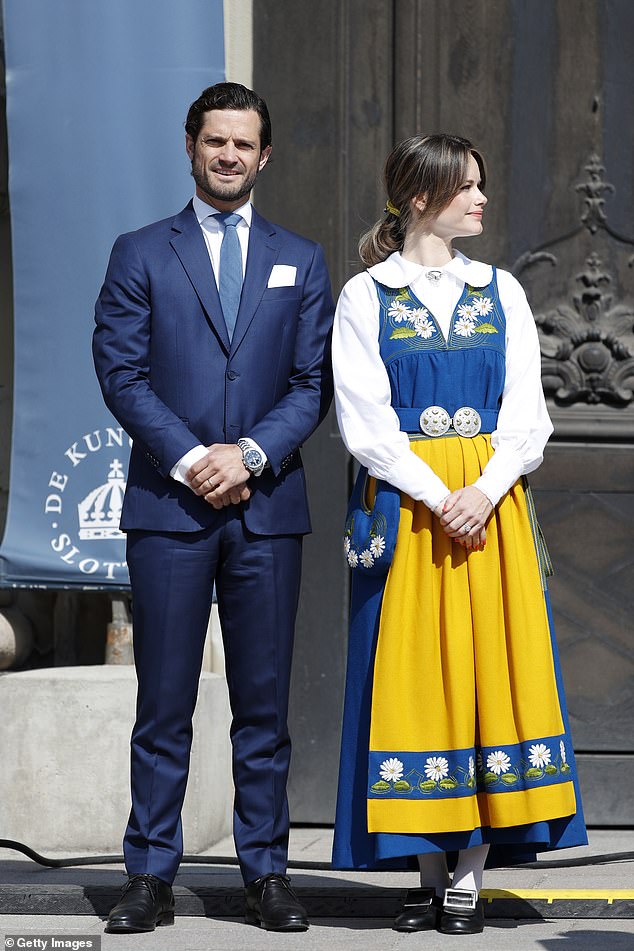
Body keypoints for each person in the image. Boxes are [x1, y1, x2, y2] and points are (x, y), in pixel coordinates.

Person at [330, 133, 587, 936]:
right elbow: (364, 422)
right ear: (420, 197)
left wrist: (482, 489)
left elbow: (527, 413)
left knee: (486, 672)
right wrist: (443, 495)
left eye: (480, 184)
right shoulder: (366, 295)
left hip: (491, 508)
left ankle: (469, 873)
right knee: (412, 677)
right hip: (412, 510)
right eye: (466, 187)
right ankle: (425, 866)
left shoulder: (500, 288)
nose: (481, 199)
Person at [93, 82, 334, 934]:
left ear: (265, 156)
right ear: (191, 147)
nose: (229, 155)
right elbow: (121, 372)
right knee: (163, 701)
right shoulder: (140, 253)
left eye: (244, 144)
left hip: (267, 511)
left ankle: (266, 871)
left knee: (262, 708)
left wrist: (251, 455)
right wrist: (197, 459)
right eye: (215, 141)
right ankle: (149, 873)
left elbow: (313, 384)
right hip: (171, 508)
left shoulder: (301, 259)